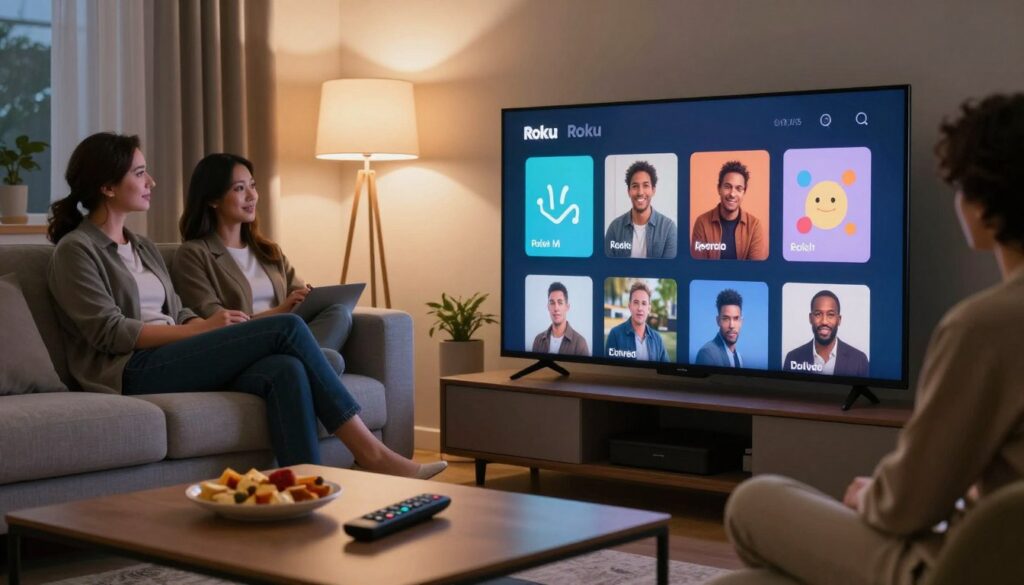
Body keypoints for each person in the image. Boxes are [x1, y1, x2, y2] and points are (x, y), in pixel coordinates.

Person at [709, 93, 1024, 585]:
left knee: (752, 501)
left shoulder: (984, 328)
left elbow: (906, 506)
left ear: (981, 206)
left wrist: (870, 494)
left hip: (962, 568)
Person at [46, 132, 446, 479]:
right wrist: (200, 329)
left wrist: (205, 325)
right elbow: (110, 332)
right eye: (139, 173)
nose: (151, 181)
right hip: (130, 369)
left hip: (173, 354)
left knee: (286, 368)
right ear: (107, 187)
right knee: (286, 328)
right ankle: (371, 454)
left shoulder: (144, 247)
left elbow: (180, 309)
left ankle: (307, 487)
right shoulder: (76, 251)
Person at [172, 153, 349, 375]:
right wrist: (280, 311)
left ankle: (305, 365)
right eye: (239, 189)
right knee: (330, 360)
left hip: (285, 340)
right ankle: (315, 366)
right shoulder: (193, 254)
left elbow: (298, 296)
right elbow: (217, 323)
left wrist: (308, 298)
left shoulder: (268, 251)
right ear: (213, 200)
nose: (252, 196)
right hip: (240, 347)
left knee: (339, 312)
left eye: (252, 186)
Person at [690, 160, 767, 260]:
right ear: (719, 189)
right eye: (727, 187)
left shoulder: (754, 225)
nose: (732, 194)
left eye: (738, 188)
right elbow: (698, 267)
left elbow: (755, 271)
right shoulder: (702, 222)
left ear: (744, 192)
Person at [782, 290, 869, 377]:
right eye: (818, 314)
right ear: (810, 318)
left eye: (830, 315)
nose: (824, 321)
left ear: (839, 320)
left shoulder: (859, 360)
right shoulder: (793, 357)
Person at [604, 161, 678, 258]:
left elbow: (669, 271)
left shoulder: (668, 228)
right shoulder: (614, 228)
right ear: (629, 191)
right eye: (635, 186)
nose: (640, 192)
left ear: (653, 190)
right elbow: (608, 270)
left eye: (646, 185)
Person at [605, 281, 669, 361]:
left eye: (644, 303)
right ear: (629, 306)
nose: (640, 308)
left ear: (649, 309)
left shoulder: (657, 339)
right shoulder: (615, 335)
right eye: (636, 302)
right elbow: (610, 370)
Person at [531, 281, 590, 356]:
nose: (556, 308)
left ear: (567, 307)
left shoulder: (580, 343)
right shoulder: (538, 340)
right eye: (552, 303)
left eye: (560, 303)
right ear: (548, 307)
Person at [695, 288, 743, 368]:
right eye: (726, 319)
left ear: (741, 322)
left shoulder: (739, 357)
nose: (731, 325)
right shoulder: (707, 354)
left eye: (736, 318)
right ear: (718, 321)